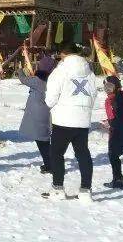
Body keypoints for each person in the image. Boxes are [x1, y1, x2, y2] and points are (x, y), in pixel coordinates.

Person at [42, 41, 96, 202]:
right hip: (82, 119)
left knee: (57, 154)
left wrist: (49, 104)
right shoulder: (89, 72)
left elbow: (51, 99)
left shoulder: (60, 72)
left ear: (63, 54)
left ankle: (58, 188)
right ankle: (86, 190)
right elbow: (93, 95)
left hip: (63, 119)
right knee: (83, 154)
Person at [16, 45, 52, 174]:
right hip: (48, 114)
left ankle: (50, 165)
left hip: (39, 115)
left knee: (43, 141)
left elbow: (23, 79)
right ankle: (50, 162)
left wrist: (20, 70)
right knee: (44, 140)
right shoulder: (53, 80)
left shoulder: (38, 81)